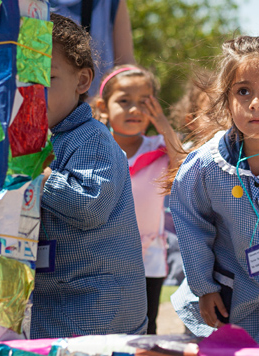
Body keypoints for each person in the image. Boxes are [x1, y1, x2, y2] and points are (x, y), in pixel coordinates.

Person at [167, 35, 259, 347]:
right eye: (243, 91)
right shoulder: (206, 164)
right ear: (227, 98)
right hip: (227, 301)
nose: (255, 103)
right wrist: (204, 288)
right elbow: (191, 225)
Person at [32, 14, 147, 339]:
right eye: (23, 82)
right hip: (57, 300)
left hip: (96, 306)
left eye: (46, 79)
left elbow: (89, 206)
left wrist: (38, 178)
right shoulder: (46, 139)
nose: (32, 94)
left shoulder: (90, 138)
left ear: (82, 81)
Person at [94, 65, 183, 335]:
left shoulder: (158, 148)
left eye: (143, 103)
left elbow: (184, 164)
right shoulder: (95, 147)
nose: (134, 110)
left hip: (148, 259)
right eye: (124, 101)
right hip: (101, 256)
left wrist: (163, 125)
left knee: (145, 328)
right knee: (102, 326)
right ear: (103, 107)